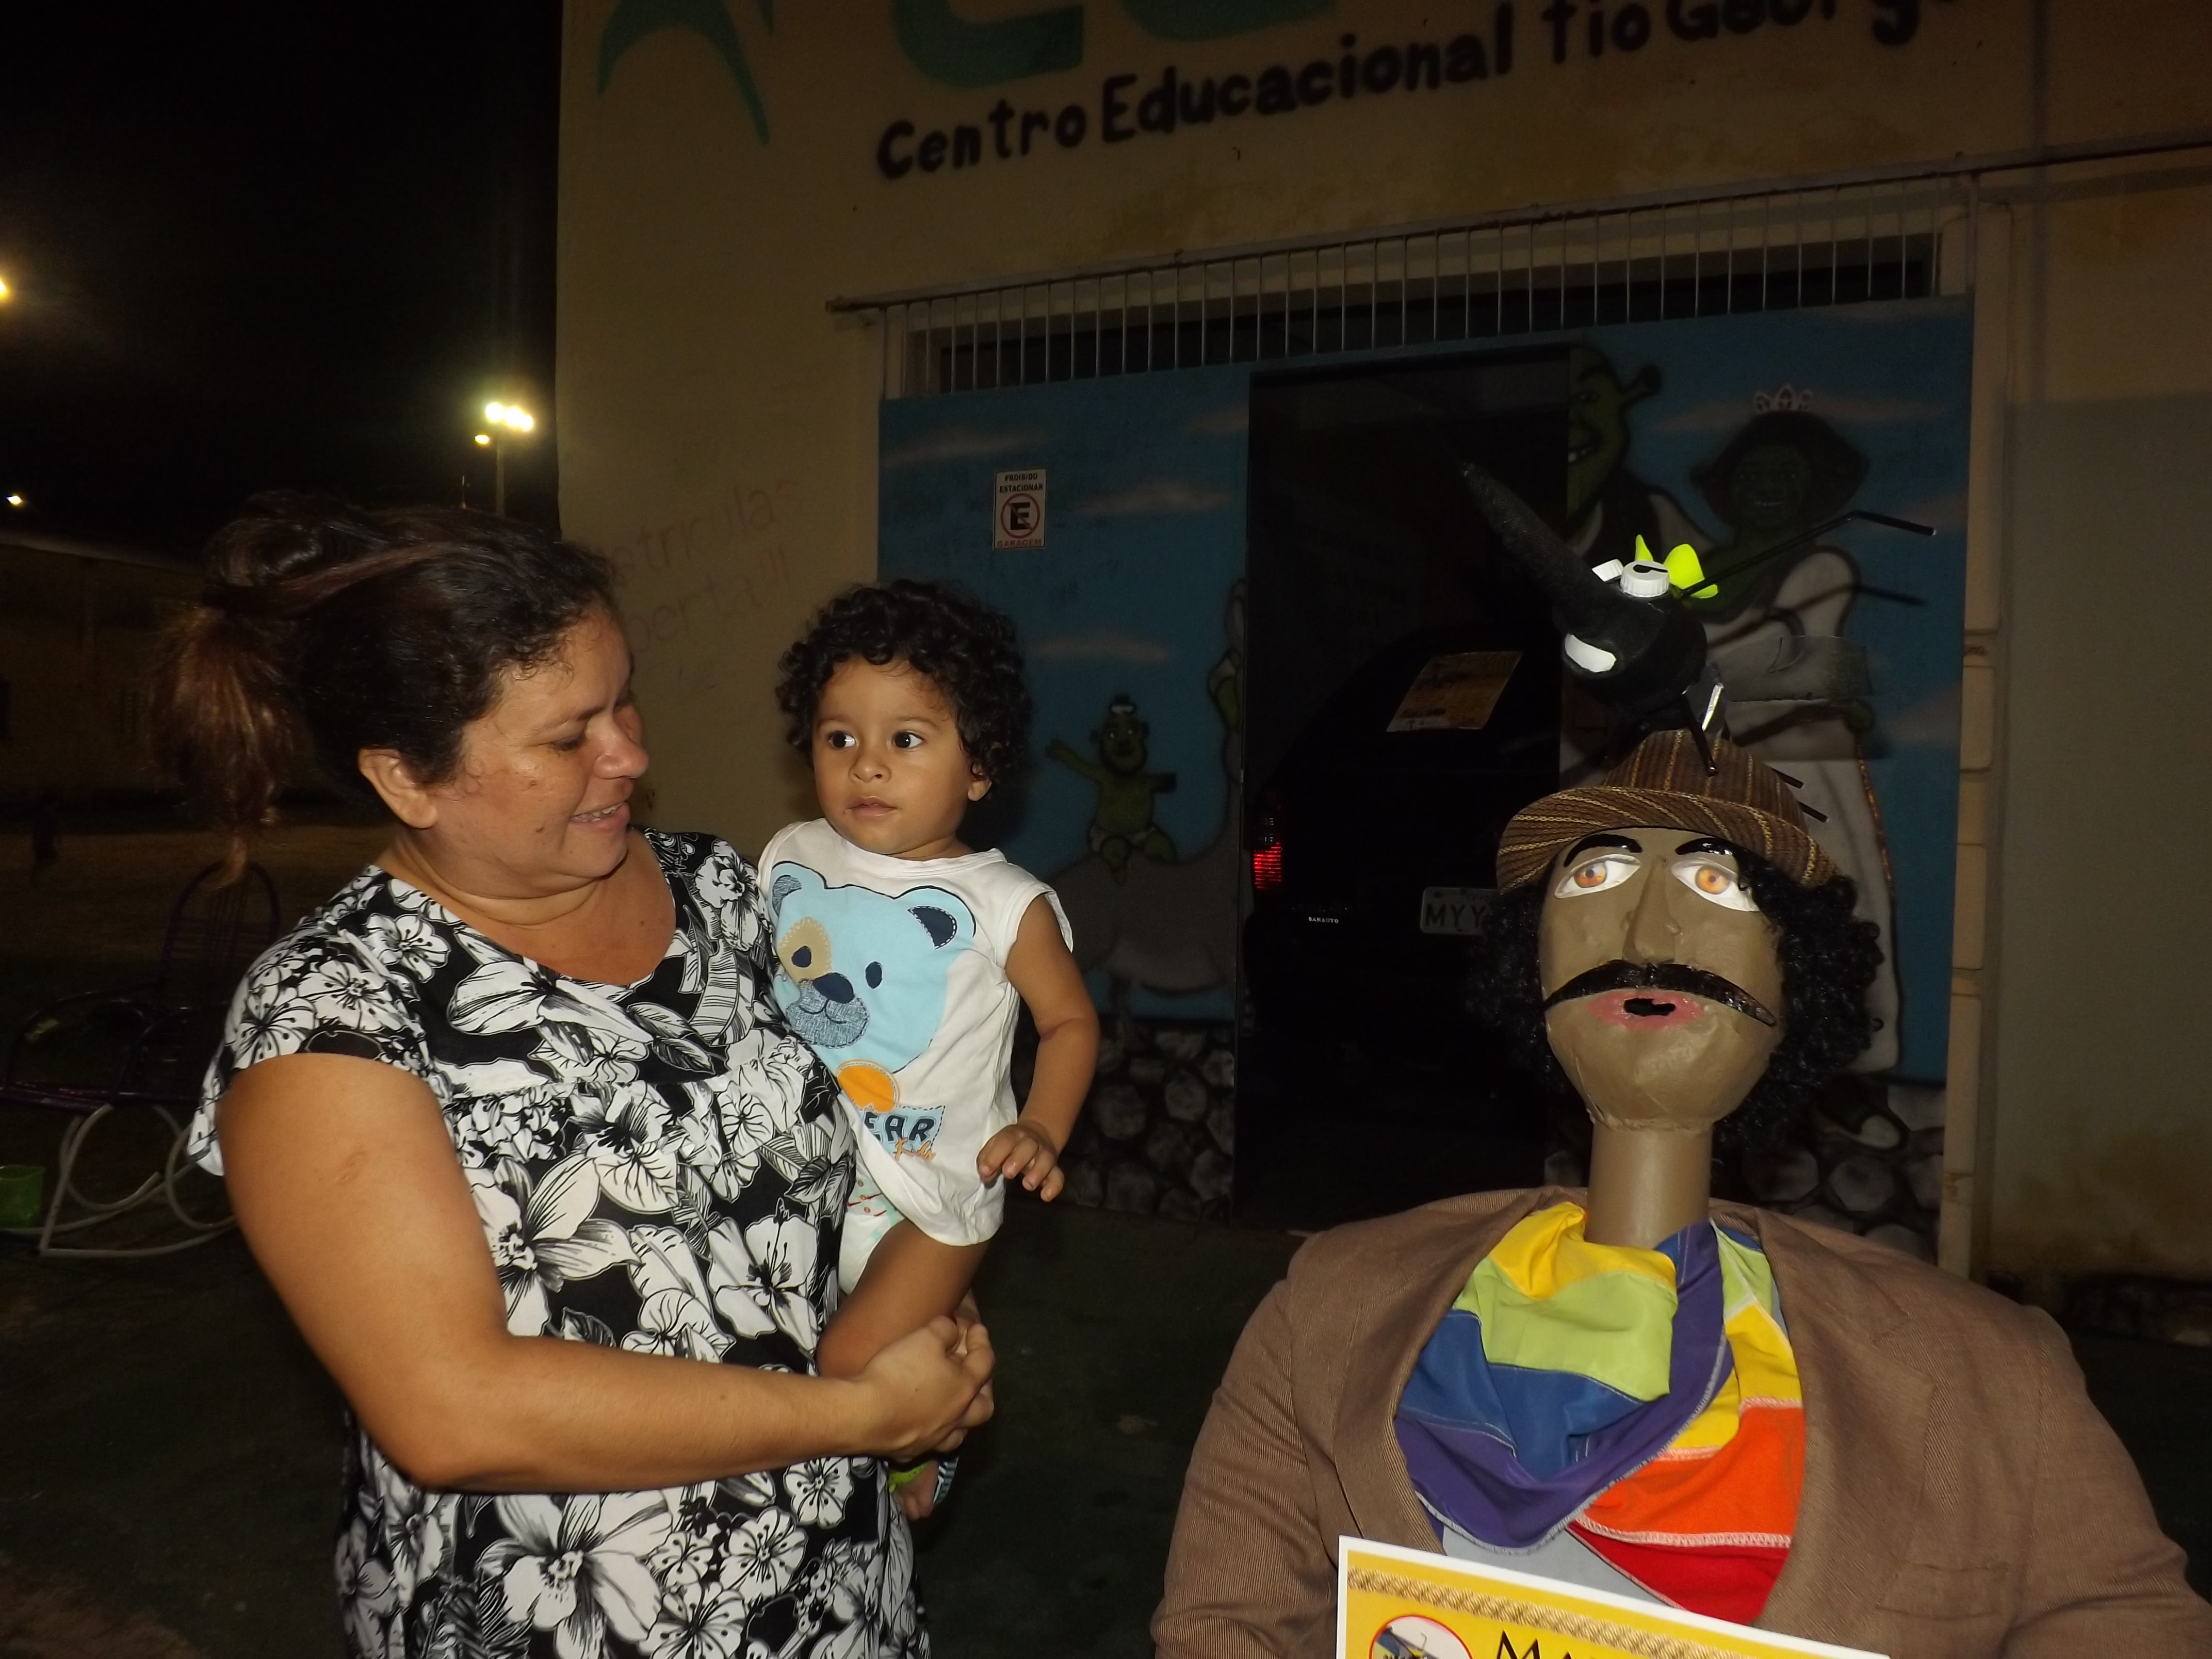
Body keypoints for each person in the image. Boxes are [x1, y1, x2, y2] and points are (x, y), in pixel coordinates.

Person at [148, 498, 994, 1659]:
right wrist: (861, 1414)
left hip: (836, 1593)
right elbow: (453, 1410)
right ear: (405, 779)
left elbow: (859, 1150)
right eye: (566, 738)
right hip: (569, 1619)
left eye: (623, 699)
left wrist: (923, 1312)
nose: (629, 754)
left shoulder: (721, 889)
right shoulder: (331, 1016)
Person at [1154, 730, 2210, 1656]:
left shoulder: (1993, 1376)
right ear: (1529, 969)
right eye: (1594, 879)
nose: (1646, 928)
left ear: (1797, 982)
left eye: (1715, 885)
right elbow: (1226, 1622)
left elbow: (2117, 1619)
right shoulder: (1330, 1307)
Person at [766, 582, 1098, 1512]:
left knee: (848, 1360)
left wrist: (1042, 1128)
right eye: (840, 739)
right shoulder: (790, 856)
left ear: (980, 768)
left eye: (906, 740)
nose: (868, 765)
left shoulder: (1003, 904)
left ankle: (931, 1444)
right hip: (814, 1168)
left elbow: (1071, 1023)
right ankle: (942, 1314)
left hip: (934, 1192)